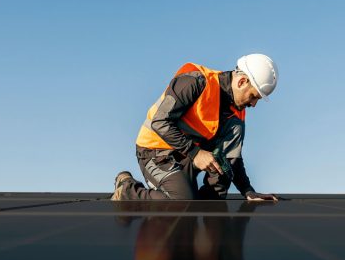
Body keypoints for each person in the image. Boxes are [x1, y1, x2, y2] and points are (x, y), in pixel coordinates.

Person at [112, 54, 280, 202]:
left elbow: (232, 156)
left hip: (188, 155)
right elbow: (160, 122)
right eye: (253, 96)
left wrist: (248, 190)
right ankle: (127, 190)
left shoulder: (237, 113)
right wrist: (196, 153)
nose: (253, 104)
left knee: (223, 172)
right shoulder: (194, 82)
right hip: (155, 151)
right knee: (182, 201)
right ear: (242, 81)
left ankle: (201, 211)